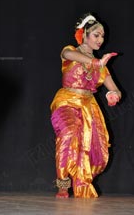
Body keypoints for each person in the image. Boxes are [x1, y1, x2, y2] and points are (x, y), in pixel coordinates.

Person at [50, 12, 121, 198]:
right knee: (68, 133)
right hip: (66, 101)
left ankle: (81, 182)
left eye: (103, 36)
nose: (100, 40)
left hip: (89, 106)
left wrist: (114, 94)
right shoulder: (70, 51)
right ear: (84, 35)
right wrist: (96, 62)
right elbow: (68, 54)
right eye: (96, 35)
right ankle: (63, 185)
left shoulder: (101, 66)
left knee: (88, 147)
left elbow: (114, 88)